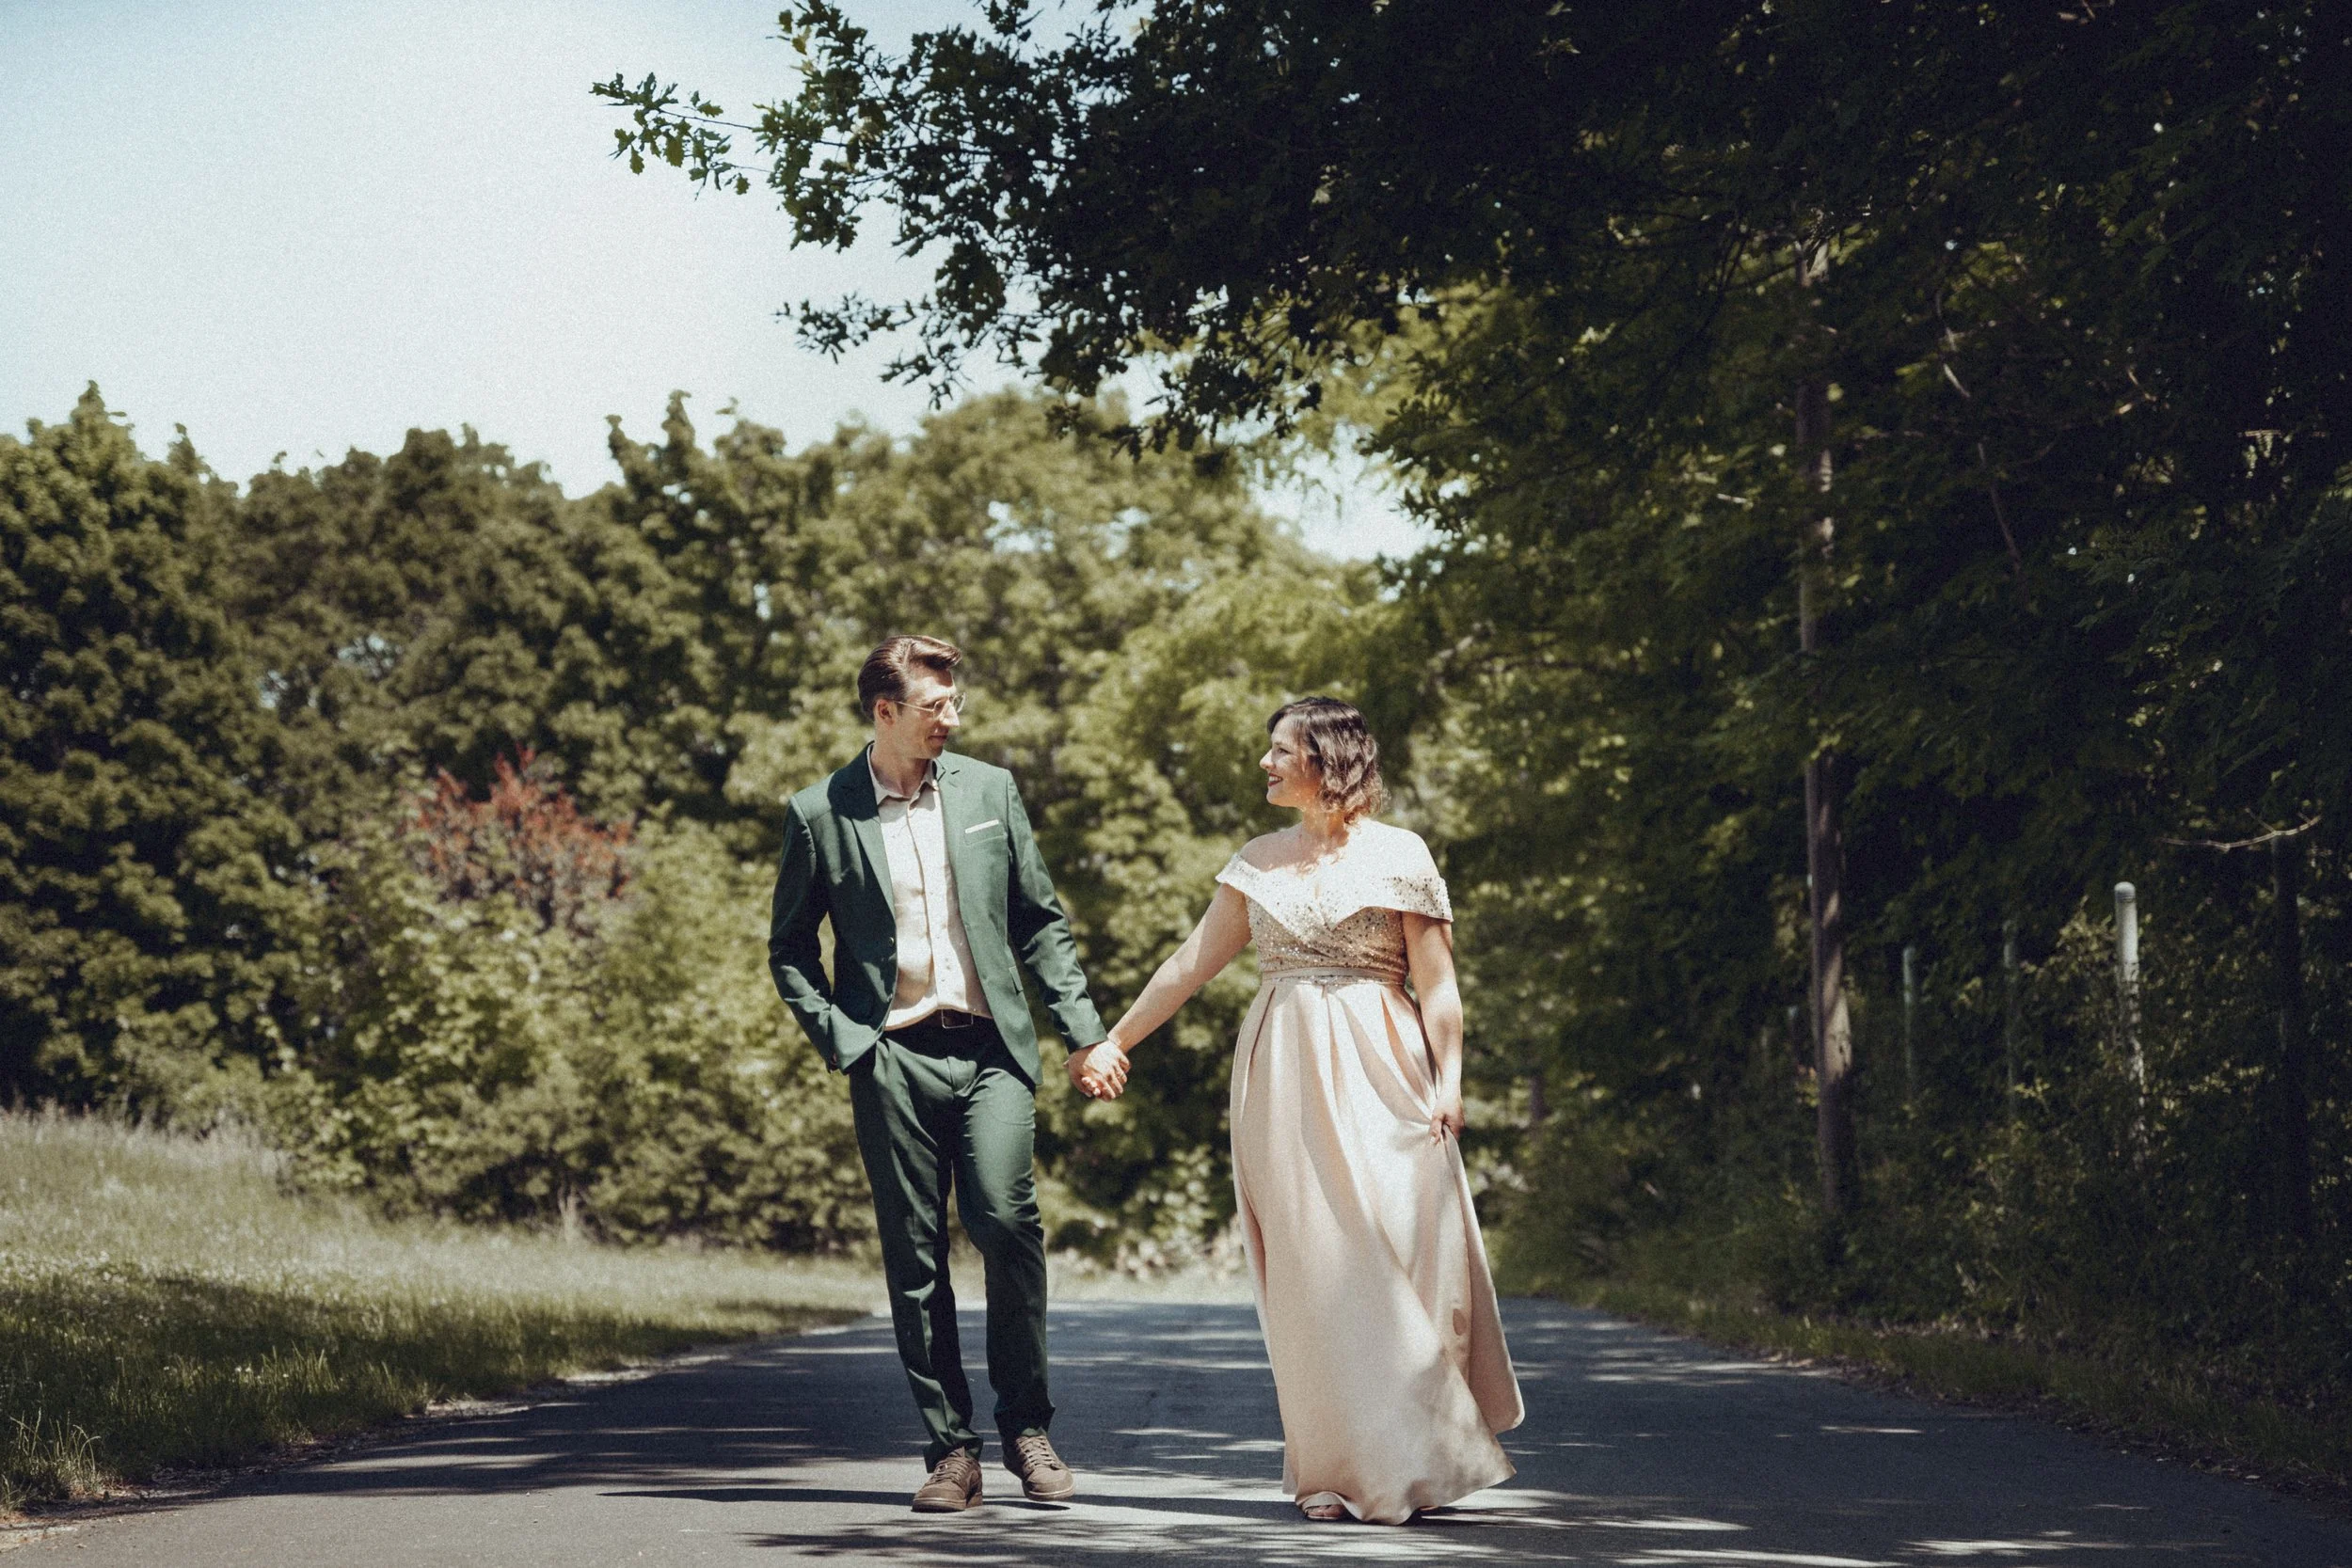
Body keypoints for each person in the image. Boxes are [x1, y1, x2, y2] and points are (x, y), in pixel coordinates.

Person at [1069, 696, 1523, 1524]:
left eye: (1281, 750)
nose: (1266, 764)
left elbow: (1439, 984)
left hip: (1388, 1065)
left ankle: (1419, 1453)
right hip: (1282, 1071)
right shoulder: (1257, 860)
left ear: (1327, 759)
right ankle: (1337, 1470)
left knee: (1407, 1247)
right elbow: (1188, 964)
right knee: (1317, 1271)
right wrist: (1114, 1040)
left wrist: (1450, 1077)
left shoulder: (1401, 854)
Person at [769, 634, 1107, 1513]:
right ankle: (951, 1450)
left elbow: (1039, 920)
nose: (952, 717)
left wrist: (1081, 1033)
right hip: (892, 1054)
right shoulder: (820, 812)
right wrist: (846, 1039)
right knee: (915, 1259)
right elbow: (791, 952)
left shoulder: (990, 790)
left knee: (1005, 1218)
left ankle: (1027, 1428)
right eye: (936, 705)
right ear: (886, 711)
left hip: (992, 1048)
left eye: (955, 703)